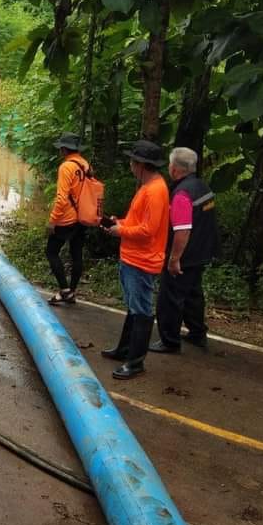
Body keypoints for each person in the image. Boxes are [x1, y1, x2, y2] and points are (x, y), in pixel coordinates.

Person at [100, 140, 170, 379]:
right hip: (133, 257)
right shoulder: (148, 187)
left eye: (132, 161)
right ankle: (125, 349)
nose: (130, 165)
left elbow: (148, 230)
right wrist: (119, 223)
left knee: (141, 309)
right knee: (134, 306)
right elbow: (138, 222)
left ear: (140, 164)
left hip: (142, 260)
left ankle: (135, 361)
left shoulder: (154, 191)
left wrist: (120, 231)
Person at [150, 147, 219, 354]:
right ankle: (197, 333)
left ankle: (169, 341)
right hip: (202, 251)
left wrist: (174, 259)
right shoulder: (202, 186)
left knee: (170, 298)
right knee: (193, 294)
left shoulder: (182, 194)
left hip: (185, 255)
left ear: (174, 169)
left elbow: (182, 231)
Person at [46, 133, 90, 305]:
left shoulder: (66, 167)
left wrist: (52, 220)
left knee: (51, 252)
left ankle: (64, 290)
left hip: (67, 218)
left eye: (60, 148)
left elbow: (61, 198)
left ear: (64, 150)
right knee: (76, 254)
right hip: (83, 217)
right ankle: (72, 291)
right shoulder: (85, 164)